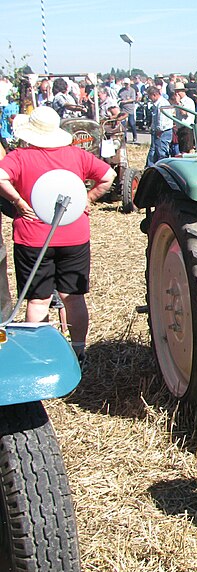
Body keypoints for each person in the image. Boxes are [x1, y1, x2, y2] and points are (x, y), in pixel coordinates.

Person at [0, 106, 115, 365]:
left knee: (38, 299)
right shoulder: (77, 155)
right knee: (73, 296)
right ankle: (78, 351)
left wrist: (18, 201)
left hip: (33, 237)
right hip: (73, 235)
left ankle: (39, 355)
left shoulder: (19, 157)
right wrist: (89, 198)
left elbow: (0, 177)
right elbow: (108, 176)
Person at [146, 85, 172, 167]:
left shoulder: (162, 104)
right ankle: (151, 167)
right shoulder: (157, 104)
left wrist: (158, 131)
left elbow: (161, 120)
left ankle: (162, 168)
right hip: (158, 131)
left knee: (161, 152)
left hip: (162, 132)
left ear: (154, 95)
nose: (149, 99)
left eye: (150, 97)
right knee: (154, 150)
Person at [117, 78, 139, 143]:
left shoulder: (132, 90)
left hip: (130, 109)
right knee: (123, 124)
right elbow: (118, 97)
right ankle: (124, 138)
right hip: (123, 109)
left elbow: (133, 99)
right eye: (125, 84)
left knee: (132, 123)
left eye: (127, 84)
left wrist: (126, 101)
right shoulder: (121, 91)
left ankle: (134, 136)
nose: (126, 85)